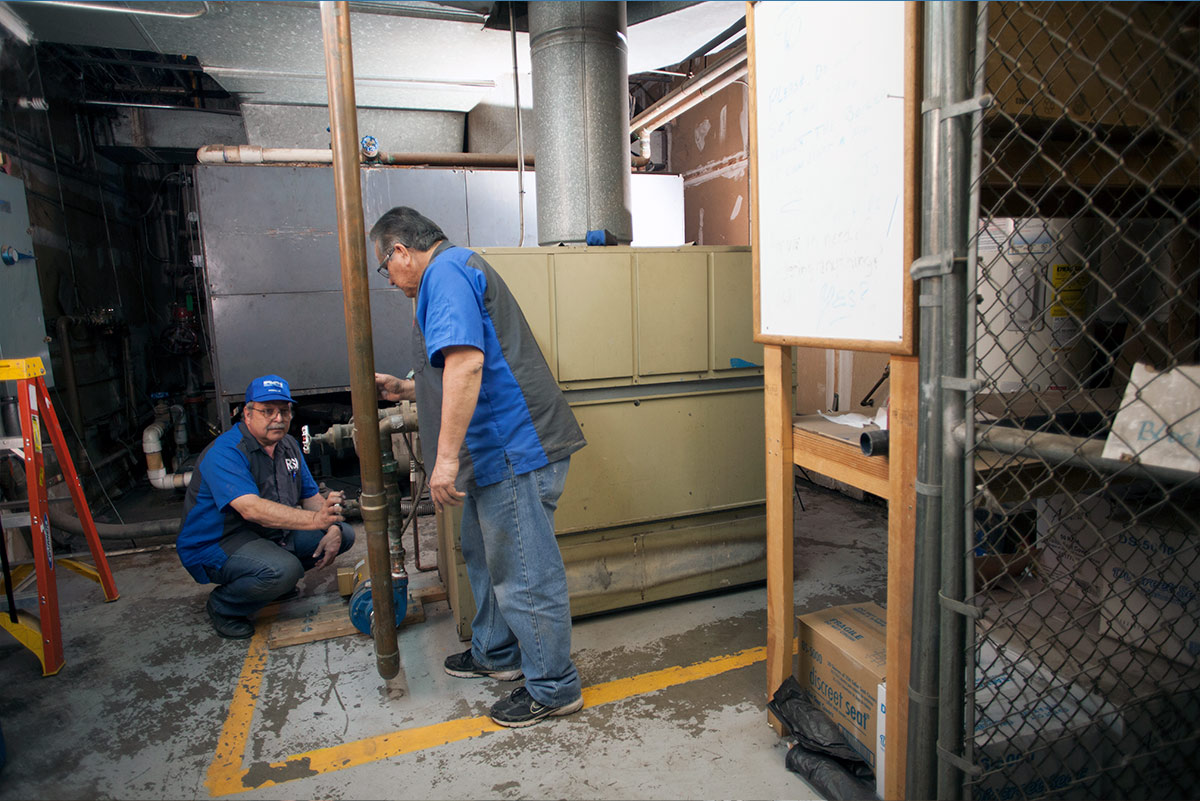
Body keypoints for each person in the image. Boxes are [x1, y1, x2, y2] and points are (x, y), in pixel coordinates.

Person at [372, 206, 587, 728]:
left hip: (512, 450)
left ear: (401, 251)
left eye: (386, 266)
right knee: (482, 553)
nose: (390, 278)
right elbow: (460, 366)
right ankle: (497, 651)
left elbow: (467, 363)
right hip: (497, 454)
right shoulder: (458, 267)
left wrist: (443, 462)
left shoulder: (444, 272)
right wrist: (408, 389)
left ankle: (554, 687)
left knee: (524, 572)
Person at [176, 374, 355, 639]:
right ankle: (224, 606)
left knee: (343, 535)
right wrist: (316, 521)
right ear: (247, 414)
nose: (278, 418)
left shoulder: (288, 446)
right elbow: (252, 509)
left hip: (264, 533)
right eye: (267, 411)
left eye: (284, 411)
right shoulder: (226, 453)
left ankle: (270, 582)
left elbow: (309, 495)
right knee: (284, 570)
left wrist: (331, 524)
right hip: (218, 541)